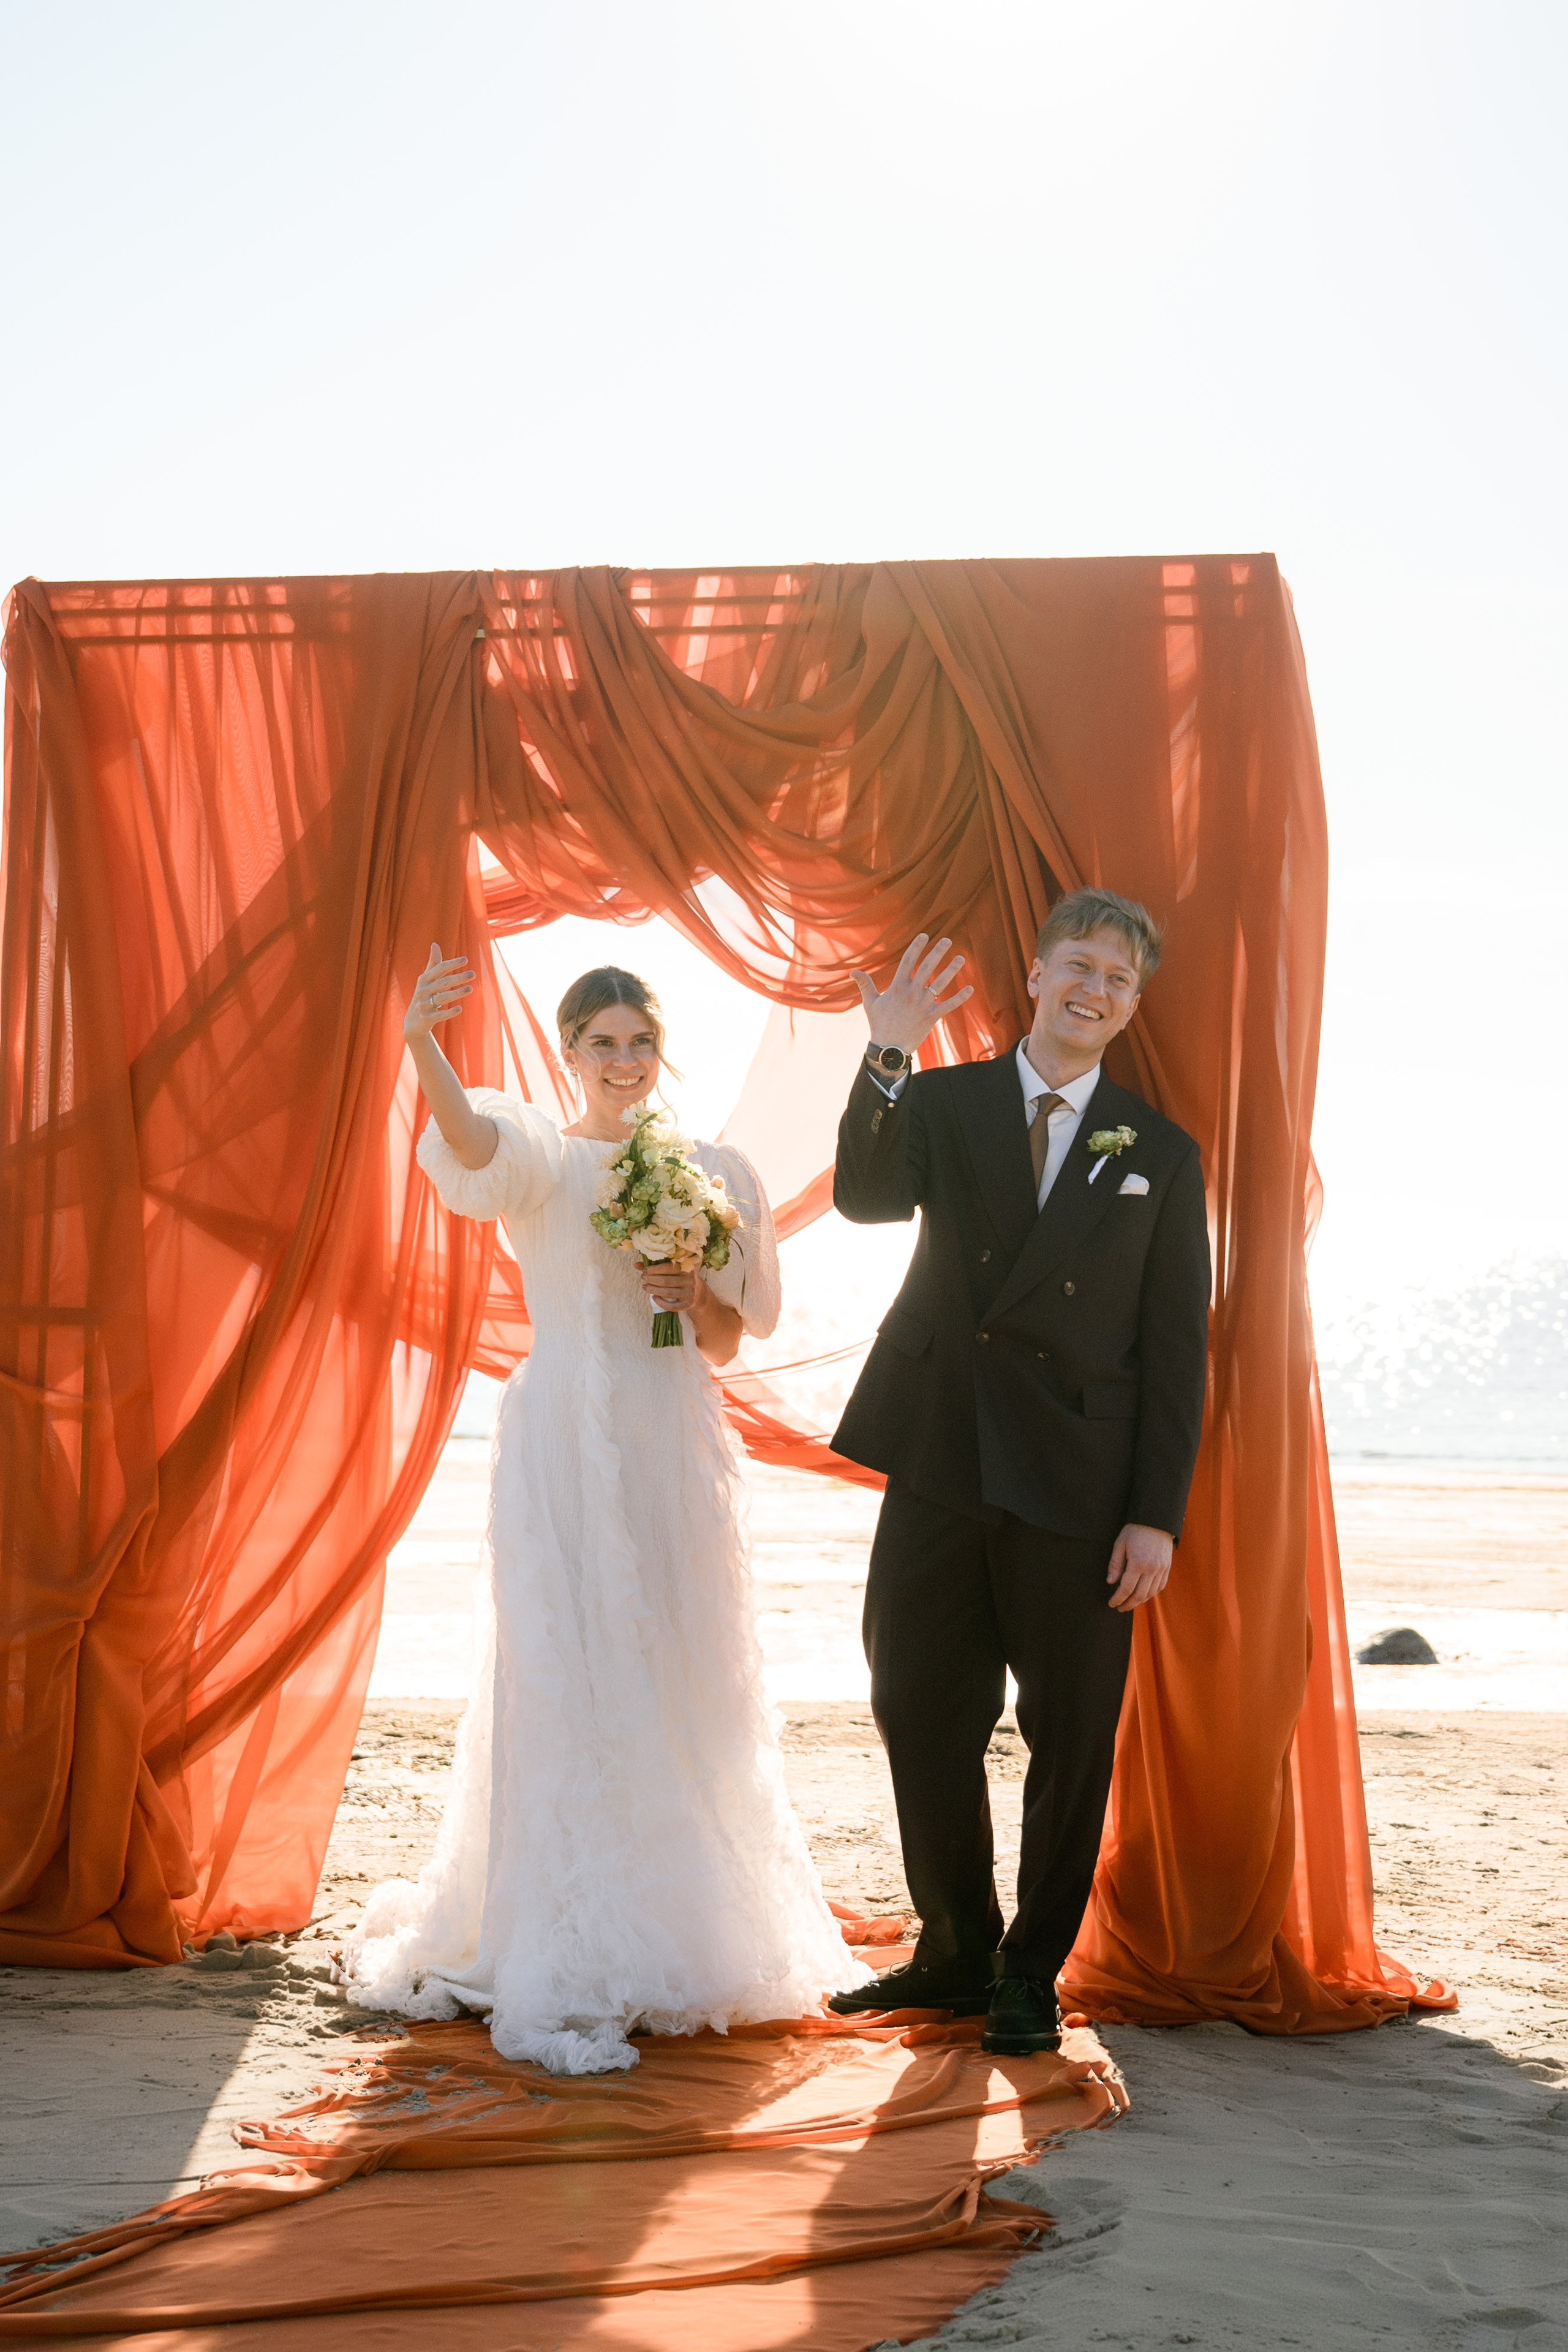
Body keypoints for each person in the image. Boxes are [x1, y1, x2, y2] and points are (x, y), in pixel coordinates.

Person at [341, 947, 863, 2073]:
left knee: (683, 1664)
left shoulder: (709, 1166)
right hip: (566, 1437)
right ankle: (564, 1927)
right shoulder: (542, 1152)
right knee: (568, 1666)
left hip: (669, 1433)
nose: (623, 1063)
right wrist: (424, 1045)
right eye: (601, 1044)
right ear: (572, 1054)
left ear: (658, 1052)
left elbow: (730, 1338)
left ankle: (687, 1922)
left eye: (639, 1043)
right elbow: (470, 1147)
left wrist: (691, 1291)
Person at [826, 888, 1210, 2056]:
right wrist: (887, 1048)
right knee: (917, 1708)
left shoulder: (1159, 1152)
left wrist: (1155, 1516)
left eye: (1120, 979)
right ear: (1037, 976)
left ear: (1132, 1006)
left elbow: (1176, 1350)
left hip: (1081, 1486)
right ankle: (952, 1950)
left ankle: (1027, 1976)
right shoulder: (945, 1101)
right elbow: (864, 1197)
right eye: (1080, 965)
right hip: (941, 1452)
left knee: (1071, 1732)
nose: (1096, 989)